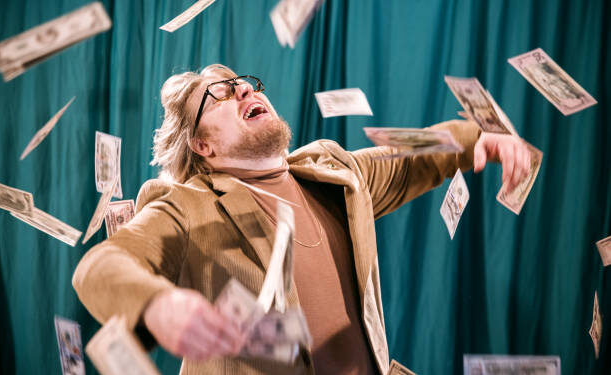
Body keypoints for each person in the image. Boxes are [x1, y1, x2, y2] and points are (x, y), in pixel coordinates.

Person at [72, 64, 531, 375]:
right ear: (202, 146)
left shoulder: (332, 168)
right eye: (220, 95)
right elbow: (97, 267)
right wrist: (157, 304)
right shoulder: (185, 205)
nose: (245, 90)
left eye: (245, 83)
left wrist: (476, 140)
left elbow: (408, 156)